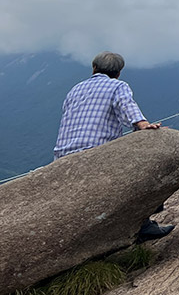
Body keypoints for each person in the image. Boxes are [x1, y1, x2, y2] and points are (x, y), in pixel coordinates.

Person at [53, 51, 172, 240]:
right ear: (118, 73)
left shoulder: (75, 89)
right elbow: (126, 106)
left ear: (94, 68)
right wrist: (142, 125)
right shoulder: (118, 86)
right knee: (147, 166)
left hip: (62, 157)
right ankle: (143, 224)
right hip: (97, 153)